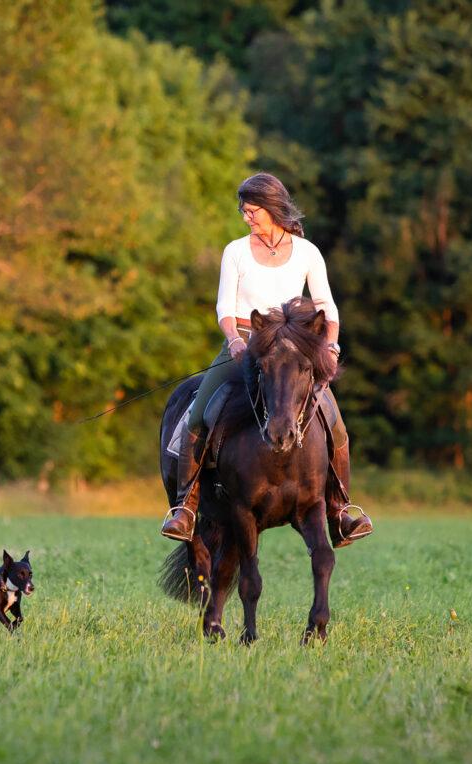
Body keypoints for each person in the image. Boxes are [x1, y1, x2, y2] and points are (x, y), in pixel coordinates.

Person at [160, 173, 373, 546]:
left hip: (292, 346)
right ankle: (186, 507)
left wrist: (332, 343)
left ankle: (340, 512)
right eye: (244, 211)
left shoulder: (307, 253)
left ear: (272, 208)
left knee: (336, 424)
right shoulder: (236, 251)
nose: (246, 218)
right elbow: (225, 305)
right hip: (244, 341)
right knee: (197, 415)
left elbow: (326, 305)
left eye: (251, 211)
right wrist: (234, 340)